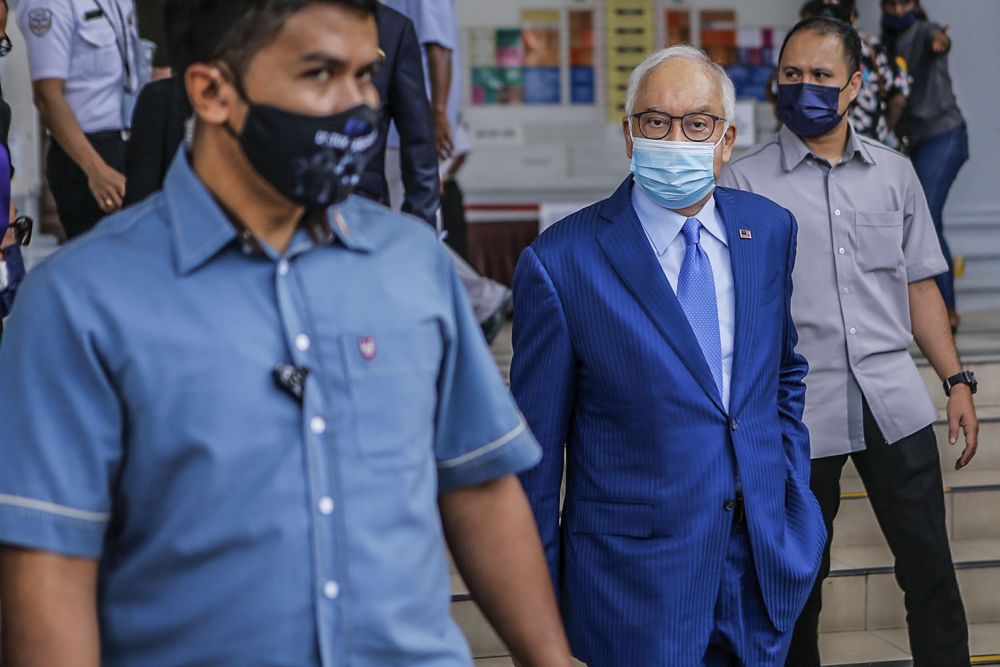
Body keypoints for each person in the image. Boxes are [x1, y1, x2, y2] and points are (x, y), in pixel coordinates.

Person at [0, 1, 575, 666]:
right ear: (212, 92)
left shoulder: (414, 265)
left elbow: (478, 486)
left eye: (365, 75)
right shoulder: (80, 302)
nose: (358, 105)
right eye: (320, 74)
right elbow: (49, 566)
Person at [511, 45, 826, 666]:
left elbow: (782, 372)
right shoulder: (560, 262)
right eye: (656, 121)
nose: (676, 138)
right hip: (632, 587)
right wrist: (538, 631)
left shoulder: (768, 231)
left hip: (759, 564)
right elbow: (535, 467)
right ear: (629, 136)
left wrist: (787, 484)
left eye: (697, 123)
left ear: (727, 139)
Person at [719, 17, 979, 667]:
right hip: (796, 413)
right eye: (792, 75)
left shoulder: (894, 174)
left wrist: (955, 380)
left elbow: (922, 287)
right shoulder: (742, 183)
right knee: (796, 586)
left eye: (821, 76)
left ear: (855, 85)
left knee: (930, 570)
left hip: (892, 399)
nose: (804, 87)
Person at [18, 0, 141, 239]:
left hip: (127, 142)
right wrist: (95, 171)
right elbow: (47, 96)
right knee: (97, 260)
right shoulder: (49, 4)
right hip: (86, 154)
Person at [882, 0, 967, 331]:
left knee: (927, 216)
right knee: (910, 218)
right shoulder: (886, 46)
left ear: (916, 5)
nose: (899, 10)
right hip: (912, 141)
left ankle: (946, 310)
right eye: (892, 4)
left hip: (945, 135)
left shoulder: (926, 31)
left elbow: (939, 40)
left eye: (905, 3)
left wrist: (940, 42)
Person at [354, 1, 438, 226]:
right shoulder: (274, 20)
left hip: (365, 211)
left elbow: (419, 143)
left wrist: (419, 230)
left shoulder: (391, 28)